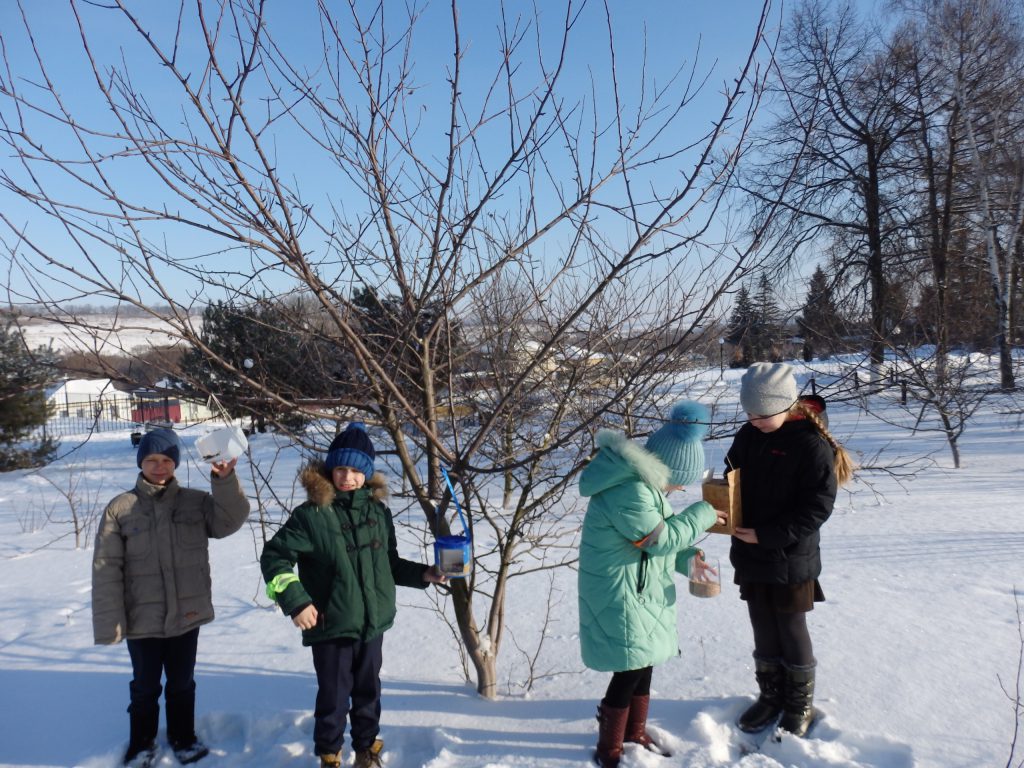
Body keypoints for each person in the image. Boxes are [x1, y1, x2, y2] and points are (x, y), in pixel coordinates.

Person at [260, 422, 448, 768]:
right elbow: (274, 558)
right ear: (330, 469)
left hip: (372, 623)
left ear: (367, 473)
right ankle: (330, 755)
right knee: (333, 697)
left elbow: (388, 563)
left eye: (356, 470)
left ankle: (366, 750)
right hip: (331, 625)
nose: (347, 477)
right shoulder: (311, 515)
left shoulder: (378, 512)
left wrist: (424, 573)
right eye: (340, 468)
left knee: (368, 693)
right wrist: (296, 601)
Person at [577, 401, 725, 768]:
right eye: (677, 480)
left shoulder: (645, 487)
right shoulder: (629, 491)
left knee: (644, 662)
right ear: (661, 468)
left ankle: (633, 732)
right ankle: (609, 746)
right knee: (629, 668)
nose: (677, 488)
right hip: (621, 592)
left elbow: (659, 542)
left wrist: (689, 559)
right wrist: (702, 514)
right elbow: (656, 539)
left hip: (640, 589)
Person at [92, 427, 250, 767]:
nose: (159, 466)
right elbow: (106, 569)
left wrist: (224, 480)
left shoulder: (195, 502)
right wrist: (110, 623)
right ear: (141, 462)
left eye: (166, 460)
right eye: (151, 460)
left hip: (186, 615)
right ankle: (141, 744)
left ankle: (183, 738)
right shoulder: (121, 508)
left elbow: (230, 520)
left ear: (176, 463)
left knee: (181, 683)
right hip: (141, 619)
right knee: (145, 687)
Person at [727, 362, 854, 738]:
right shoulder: (749, 434)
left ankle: (799, 704)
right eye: (749, 414)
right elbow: (733, 472)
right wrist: (723, 501)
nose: (755, 421)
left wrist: (768, 535)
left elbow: (817, 507)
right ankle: (771, 696)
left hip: (789, 555)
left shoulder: (809, 445)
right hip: (750, 551)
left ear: (787, 405)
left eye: (763, 414)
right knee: (761, 623)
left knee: (790, 626)